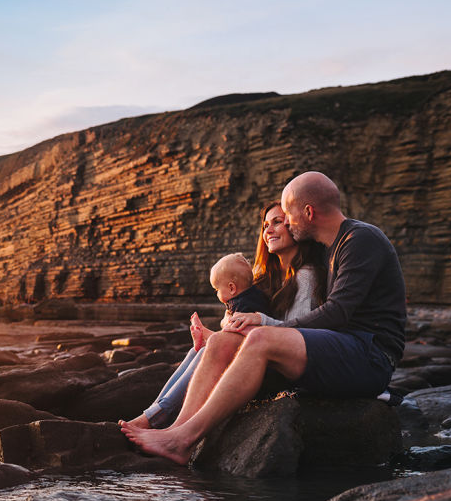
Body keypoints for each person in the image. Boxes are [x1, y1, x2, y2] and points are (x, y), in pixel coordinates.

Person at [121, 171, 405, 465]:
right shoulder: (332, 249)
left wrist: (268, 326)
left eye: (289, 216)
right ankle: (174, 430)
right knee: (222, 342)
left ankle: (184, 439)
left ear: (308, 212)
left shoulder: (360, 239)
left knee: (260, 337)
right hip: (342, 348)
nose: (288, 224)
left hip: (371, 355)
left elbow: (337, 312)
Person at [126, 203, 324, 429]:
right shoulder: (266, 277)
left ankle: (159, 420)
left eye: (277, 222)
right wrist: (219, 331)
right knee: (198, 349)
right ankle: (154, 414)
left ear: (295, 227)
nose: (268, 230)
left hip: (278, 367)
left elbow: (299, 334)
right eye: (265, 225)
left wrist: (257, 320)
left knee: (215, 345)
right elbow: (235, 315)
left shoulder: (306, 277)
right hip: (258, 355)